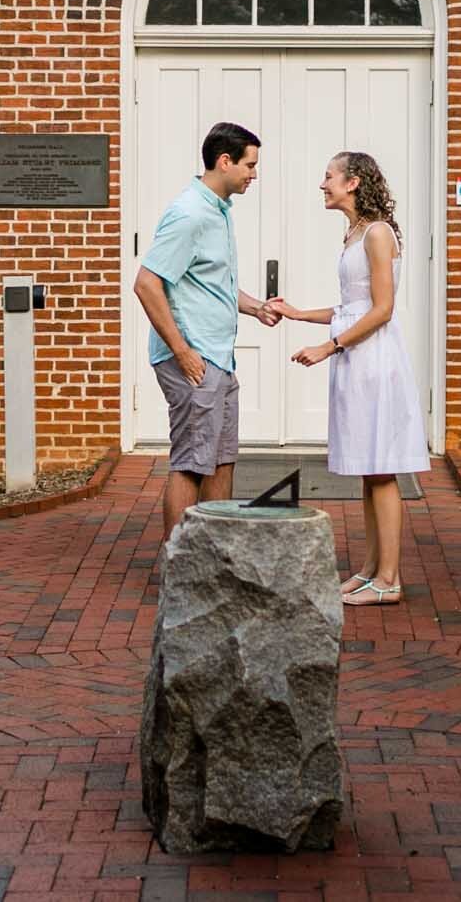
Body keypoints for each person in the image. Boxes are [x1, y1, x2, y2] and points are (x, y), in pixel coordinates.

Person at [269, 151, 428, 605]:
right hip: (356, 358)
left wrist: (329, 347)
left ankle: (390, 581)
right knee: (366, 469)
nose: (323, 185)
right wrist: (298, 314)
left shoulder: (377, 233)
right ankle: (370, 569)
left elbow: (382, 309)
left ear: (353, 182)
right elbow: (350, 308)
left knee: (380, 470)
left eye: (329, 177)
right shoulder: (355, 232)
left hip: (374, 361)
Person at [132, 121, 282, 541]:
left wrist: (255, 308)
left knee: (220, 460)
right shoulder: (190, 214)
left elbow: (209, 283)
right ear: (225, 161)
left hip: (218, 358)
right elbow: (147, 283)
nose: (254, 174)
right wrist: (181, 351)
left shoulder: (218, 210)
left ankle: (214, 559)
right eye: (250, 166)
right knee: (191, 462)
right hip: (193, 359)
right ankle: (180, 567)